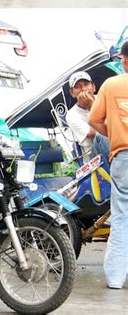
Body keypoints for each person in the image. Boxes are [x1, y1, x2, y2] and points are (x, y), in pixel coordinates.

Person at [89, 40, 128, 290]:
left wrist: (114, 132)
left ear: (124, 60)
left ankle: (115, 278)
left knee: (122, 216)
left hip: (123, 156)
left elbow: (93, 120)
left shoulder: (112, 85)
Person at [66, 71, 110, 163]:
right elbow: (97, 132)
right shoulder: (72, 115)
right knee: (101, 135)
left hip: (118, 143)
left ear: (93, 87)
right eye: (78, 87)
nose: (83, 89)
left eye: (86, 84)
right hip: (95, 157)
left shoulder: (105, 98)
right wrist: (92, 105)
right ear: (72, 93)